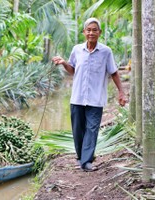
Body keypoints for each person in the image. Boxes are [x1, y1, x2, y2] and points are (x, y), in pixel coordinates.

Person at [52, 17, 126, 172]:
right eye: (89, 30)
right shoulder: (77, 50)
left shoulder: (106, 51)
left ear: (99, 33)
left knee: (92, 129)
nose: (91, 33)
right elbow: (73, 70)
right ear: (84, 32)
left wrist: (121, 92)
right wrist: (64, 63)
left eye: (94, 30)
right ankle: (81, 156)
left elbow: (114, 72)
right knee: (78, 130)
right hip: (77, 97)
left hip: (96, 98)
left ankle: (86, 162)